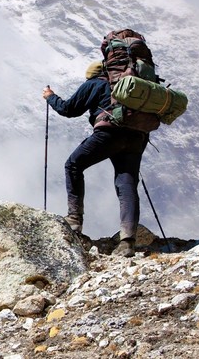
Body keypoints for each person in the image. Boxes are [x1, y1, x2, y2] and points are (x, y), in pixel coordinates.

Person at [42, 61, 149, 257]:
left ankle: (74, 219)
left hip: (109, 134)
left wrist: (50, 97)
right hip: (137, 136)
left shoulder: (94, 84)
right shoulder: (131, 86)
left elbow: (69, 109)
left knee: (73, 164)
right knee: (127, 183)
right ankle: (127, 242)